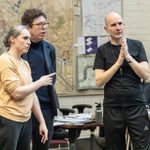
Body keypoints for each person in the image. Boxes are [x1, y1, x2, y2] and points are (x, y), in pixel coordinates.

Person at [93, 12, 150, 150]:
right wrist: (118, 62)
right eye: (113, 25)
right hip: (113, 107)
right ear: (106, 29)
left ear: (124, 25)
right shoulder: (102, 50)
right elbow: (99, 81)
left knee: (142, 147)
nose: (118, 27)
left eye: (120, 23)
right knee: (114, 147)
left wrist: (128, 57)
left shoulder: (137, 45)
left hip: (136, 105)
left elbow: (146, 75)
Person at [0, 25, 54, 150]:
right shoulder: (5, 60)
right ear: (12, 39)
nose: (29, 42)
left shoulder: (24, 63)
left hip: (26, 119)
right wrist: (40, 82)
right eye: (25, 38)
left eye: (29, 39)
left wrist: (42, 122)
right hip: (9, 119)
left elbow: (32, 94)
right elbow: (16, 93)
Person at [21, 8, 58, 150]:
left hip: (45, 108)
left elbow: (52, 78)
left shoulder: (50, 49)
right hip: (23, 107)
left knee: (42, 147)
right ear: (28, 27)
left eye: (45, 24)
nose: (44, 28)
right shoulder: (18, 49)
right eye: (39, 25)